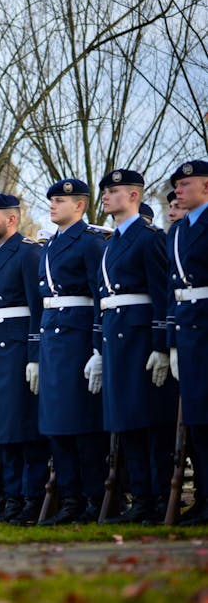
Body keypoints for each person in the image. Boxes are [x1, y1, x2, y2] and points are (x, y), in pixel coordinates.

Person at [92, 169, 176, 524]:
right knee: (126, 422)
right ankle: (141, 497)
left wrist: (160, 343)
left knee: (149, 422)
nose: (107, 197)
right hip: (116, 339)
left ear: (133, 196)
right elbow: (103, 298)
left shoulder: (147, 238)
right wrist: (98, 348)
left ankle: (156, 498)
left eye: (113, 191)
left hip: (140, 340)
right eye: (105, 192)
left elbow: (162, 294)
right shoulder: (111, 242)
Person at [36, 180, 108, 524]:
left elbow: (100, 297)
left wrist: (98, 347)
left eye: (60, 200)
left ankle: (93, 498)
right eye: (51, 200)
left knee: (82, 424)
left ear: (79, 206)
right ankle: (70, 498)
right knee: (56, 425)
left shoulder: (90, 242)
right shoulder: (51, 244)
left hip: (77, 338)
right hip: (53, 339)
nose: (52, 205)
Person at [0, 195, 47, 525]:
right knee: (2, 430)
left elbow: (38, 308)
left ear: (12, 220)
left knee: (24, 429)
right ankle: (11, 499)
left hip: (18, 350)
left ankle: (31, 498)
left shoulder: (28, 252)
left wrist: (34, 353)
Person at [166, 159, 208, 525]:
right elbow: (171, 290)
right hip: (189, 329)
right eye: (176, 185)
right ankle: (204, 497)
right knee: (198, 419)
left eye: (186, 183)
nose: (178, 189)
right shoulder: (177, 232)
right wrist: (171, 342)